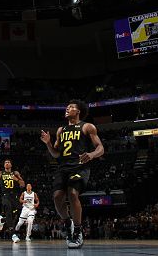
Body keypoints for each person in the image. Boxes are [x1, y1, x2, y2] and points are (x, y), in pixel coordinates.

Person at [40, 99, 104, 249]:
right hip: (63, 168)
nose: (67, 108)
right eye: (67, 107)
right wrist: (49, 143)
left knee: (73, 193)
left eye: (71, 107)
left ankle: (78, 231)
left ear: (78, 111)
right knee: (57, 197)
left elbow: (100, 147)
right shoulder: (61, 130)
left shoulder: (87, 127)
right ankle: (68, 223)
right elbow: (56, 154)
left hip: (80, 167)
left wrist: (92, 154)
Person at [0, 159, 25, 237]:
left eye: (8, 162)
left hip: (14, 195)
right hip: (5, 195)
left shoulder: (15, 173)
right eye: (5, 162)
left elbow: (23, 184)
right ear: (4, 165)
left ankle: (2, 220)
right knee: (8, 209)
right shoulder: (0, 173)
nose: (7, 163)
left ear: (11, 165)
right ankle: (12, 234)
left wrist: (16, 179)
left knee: (19, 211)